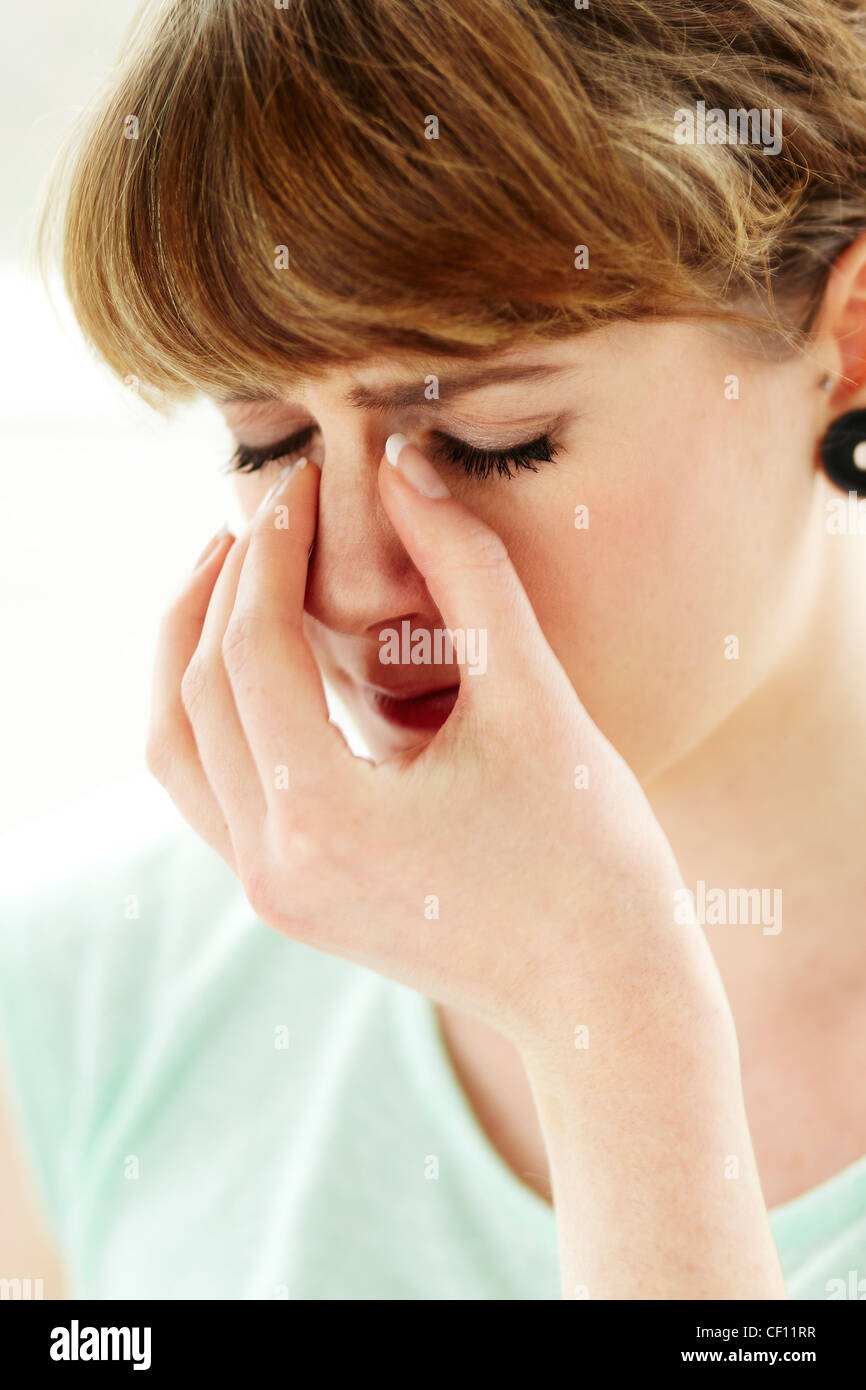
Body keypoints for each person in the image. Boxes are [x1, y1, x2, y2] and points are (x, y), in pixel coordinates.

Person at [2, 0, 865, 1300]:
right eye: (267, 443)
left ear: (845, 343)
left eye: (493, 440)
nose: (352, 581)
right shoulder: (77, 999)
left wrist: (612, 1033)